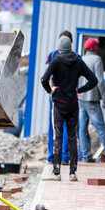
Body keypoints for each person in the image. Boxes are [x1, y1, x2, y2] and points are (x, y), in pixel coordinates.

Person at [41, 36, 99, 181]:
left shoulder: (56, 60)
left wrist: (50, 90)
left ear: (60, 48)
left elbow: (43, 79)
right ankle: (72, 173)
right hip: (73, 102)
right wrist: (79, 90)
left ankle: (56, 173)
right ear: (71, 47)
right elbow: (93, 80)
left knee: (58, 137)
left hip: (58, 102)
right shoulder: (78, 61)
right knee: (72, 137)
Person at [45, 31, 72, 165]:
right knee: (68, 126)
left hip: (56, 95)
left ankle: (52, 156)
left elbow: (48, 75)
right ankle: (65, 157)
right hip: (70, 96)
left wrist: (51, 90)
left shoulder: (52, 55)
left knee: (54, 126)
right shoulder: (76, 57)